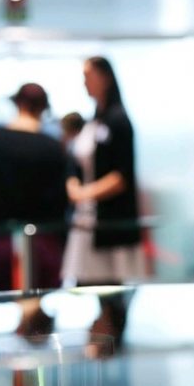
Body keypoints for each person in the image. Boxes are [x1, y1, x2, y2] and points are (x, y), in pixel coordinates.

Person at [0, 83, 68, 292]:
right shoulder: (52, 147)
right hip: (41, 245)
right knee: (38, 313)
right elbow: (61, 202)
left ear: (18, 104)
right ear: (43, 108)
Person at [62, 56, 143, 286]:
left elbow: (122, 175)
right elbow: (76, 165)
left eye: (88, 77)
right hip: (87, 218)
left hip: (110, 222)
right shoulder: (94, 121)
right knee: (85, 285)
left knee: (110, 291)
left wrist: (85, 193)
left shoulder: (118, 120)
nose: (85, 83)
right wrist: (74, 185)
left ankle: (110, 322)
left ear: (105, 78)